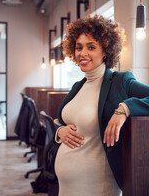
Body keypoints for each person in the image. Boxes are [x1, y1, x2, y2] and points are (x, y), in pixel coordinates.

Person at [54, 14, 149, 196]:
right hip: (66, 186)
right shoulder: (78, 85)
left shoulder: (120, 81)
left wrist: (125, 108)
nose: (83, 53)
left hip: (97, 185)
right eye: (79, 47)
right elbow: (61, 119)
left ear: (105, 50)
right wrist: (60, 131)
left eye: (91, 47)